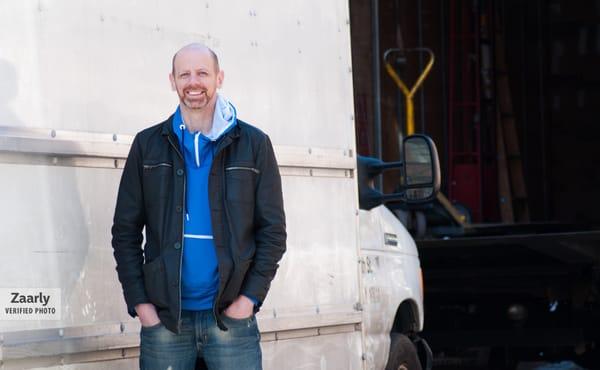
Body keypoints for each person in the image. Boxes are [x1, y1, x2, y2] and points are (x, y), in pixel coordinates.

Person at [111, 43, 286, 370]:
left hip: (231, 320)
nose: (194, 82)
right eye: (185, 74)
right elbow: (125, 233)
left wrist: (248, 301)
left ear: (219, 78)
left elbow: (273, 232)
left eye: (202, 73)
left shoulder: (254, 144)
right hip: (165, 323)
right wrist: (143, 306)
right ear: (172, 80)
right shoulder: (148, 146)